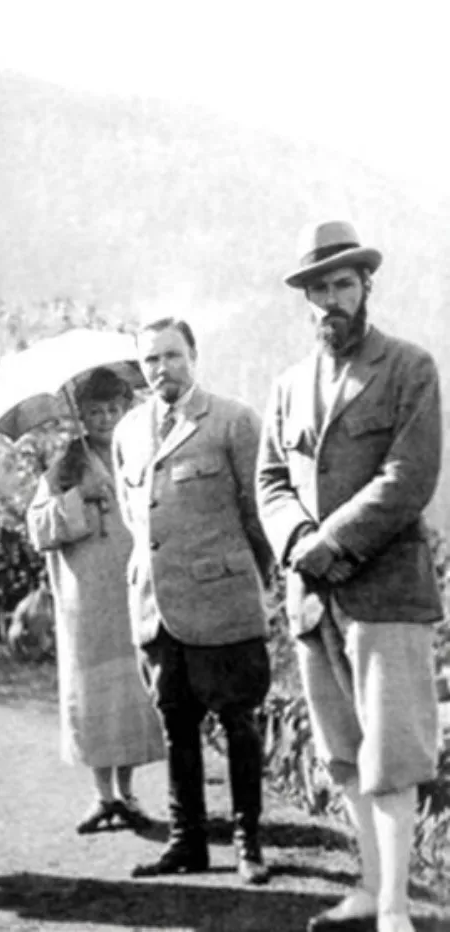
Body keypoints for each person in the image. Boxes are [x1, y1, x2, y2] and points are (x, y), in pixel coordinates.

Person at [256, 220, 442, 932]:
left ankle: (395, 907)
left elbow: (408, 477)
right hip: (311, 599)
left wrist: (330, 542)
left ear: (367, 286)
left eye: (342, 284)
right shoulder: (287, 385)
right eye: (318, 289)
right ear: (305, 300)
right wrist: (298, 540)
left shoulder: (408, 368)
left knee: (392, 754)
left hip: (385, 592)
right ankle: (368, 889)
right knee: (342, 753)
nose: (331, 300)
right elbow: (271, 480)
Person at [113, 318, 273, 881]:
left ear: (194, 356)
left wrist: (259, 583)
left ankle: (249, 843)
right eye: (151, 360)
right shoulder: (128, 431)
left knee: (238, 722)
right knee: (175, 724)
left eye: (172, 355)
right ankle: (188, 843)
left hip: (222, 601)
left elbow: (259, 512)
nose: (162, 369)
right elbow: (136, 518)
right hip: (155, 607)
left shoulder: (233, 420)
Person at [27, 367, 165, 834]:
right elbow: (38, 528)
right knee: (94, 694)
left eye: (113, 409)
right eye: (94, 411)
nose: (105, 418)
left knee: (133, 690)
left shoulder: (142, 453)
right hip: (86, 597)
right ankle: (102, 794)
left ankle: (128, 792)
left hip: (134, 588)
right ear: (81, 417)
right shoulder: (65, 466)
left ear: (127, 409)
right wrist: (76, 496)